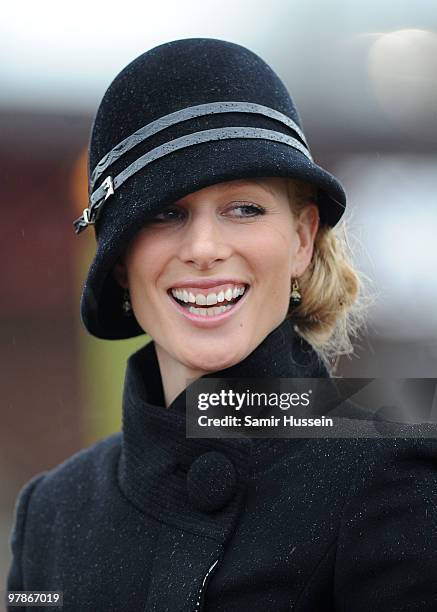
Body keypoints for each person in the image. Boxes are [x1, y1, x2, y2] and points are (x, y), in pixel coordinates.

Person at [6, 38, 437, 612]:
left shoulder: (398, 482)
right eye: (165, 212)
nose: (204, 248)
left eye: (244, 208)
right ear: (118, 262)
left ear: (302, 240)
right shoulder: (53, 513)